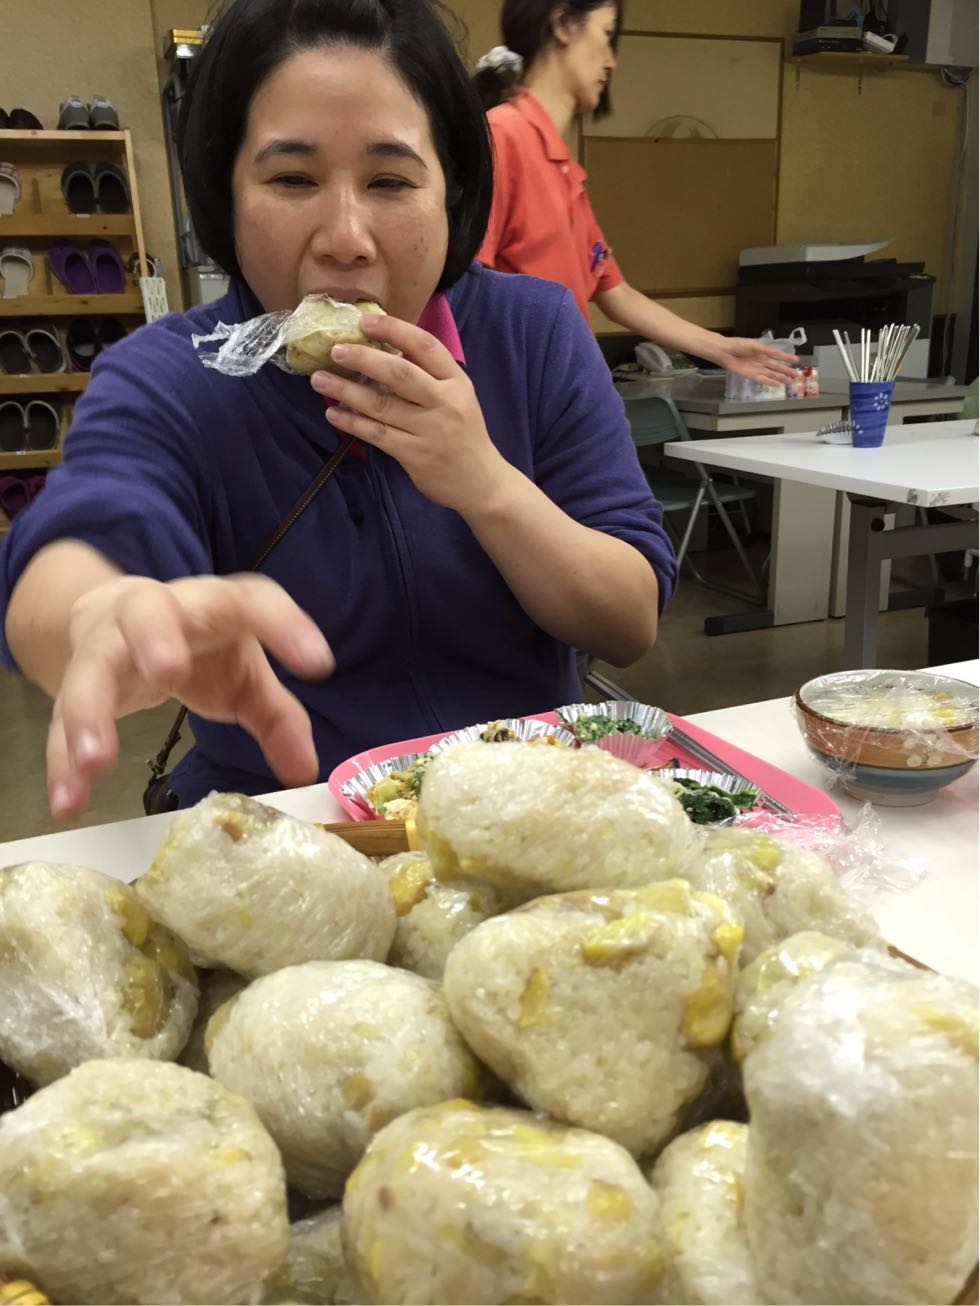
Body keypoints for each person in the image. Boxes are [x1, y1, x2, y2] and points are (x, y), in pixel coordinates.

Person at [0, 0, 676, 819]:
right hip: (280, 828)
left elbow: (629, 622)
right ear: (224, 190)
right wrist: (98, 615)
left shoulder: (531, 332)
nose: (346, 238)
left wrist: (487, 484)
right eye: (293, 180)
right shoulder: (172, 374)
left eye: (391, 181)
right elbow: (74, 551)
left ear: (453, 190)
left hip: (522, 815)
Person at [473, 0, 798, 386]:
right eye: (606, 34)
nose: (611, 62)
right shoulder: (503, 136)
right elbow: (466, 287)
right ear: (562, 24)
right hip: (520, 390)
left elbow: (618, 295)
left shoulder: (561, 167)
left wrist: (721, 348)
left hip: (568, 390)